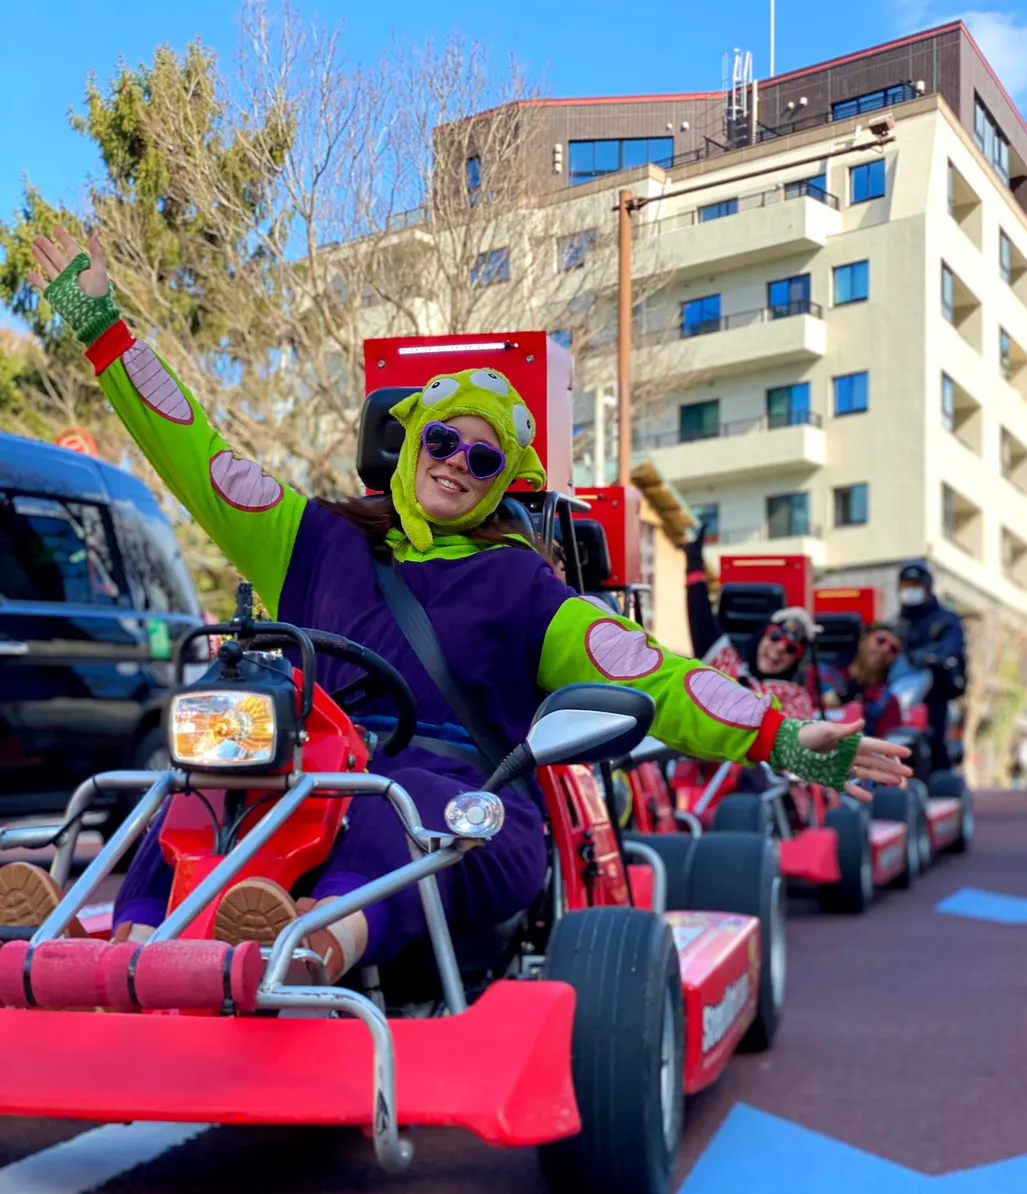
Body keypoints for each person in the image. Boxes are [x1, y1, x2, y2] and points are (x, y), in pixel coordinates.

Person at [0, 229, 909, 978]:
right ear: (409, 443)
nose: (454, 463)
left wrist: (787, 739)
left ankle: (308, 946)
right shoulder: (311, 536)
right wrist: (100, 324)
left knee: (383, 807)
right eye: (441, 439)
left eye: (482, 457)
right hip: (305, 778)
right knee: (199, 789)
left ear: (500, 481)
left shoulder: (525, 587)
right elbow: (194, 452)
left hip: (467, 808)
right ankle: (119, 953)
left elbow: (654, 675)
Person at [683, 522, 818, 721]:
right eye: (775, 636)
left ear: (797, 660)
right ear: (762, 635)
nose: (779, 648)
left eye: (791, 649)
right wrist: (694, 565)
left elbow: (780, 733)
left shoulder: (797, 698)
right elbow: (702, 625)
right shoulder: (731, 667)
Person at [893, 559, 966, 773]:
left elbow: (951, 646)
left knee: (936, 735)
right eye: (906, 585)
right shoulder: (897, 622)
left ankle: (939, 774)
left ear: (927, 587)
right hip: (901, 685)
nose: (910, 590)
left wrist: (927, 655)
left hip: (936, 687)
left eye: (915, 585)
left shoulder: (946, 620)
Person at [820, 622, 903, 738]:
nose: (885, 649)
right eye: (880, 641)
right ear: (863, 641)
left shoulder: (888, 702)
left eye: (893, 649)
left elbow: (887, 744)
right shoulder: (820, 674)